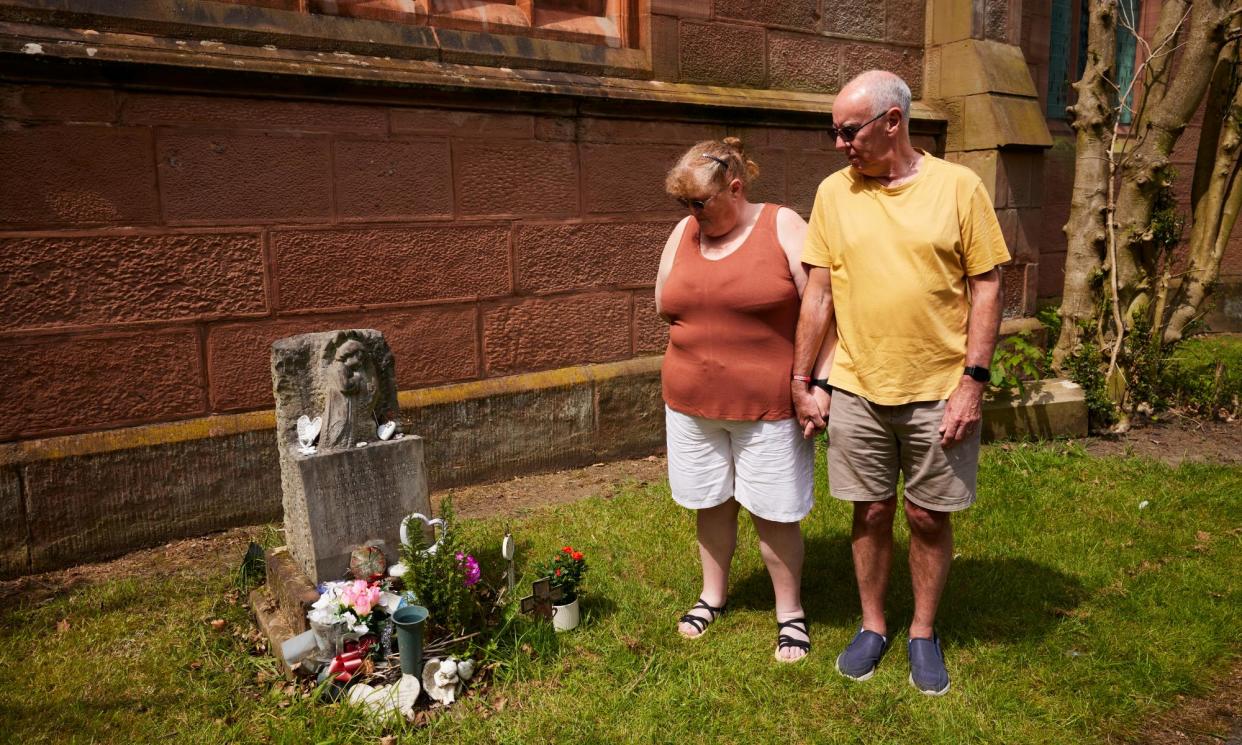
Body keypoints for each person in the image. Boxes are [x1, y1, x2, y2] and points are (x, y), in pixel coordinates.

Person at [791, 70, 1009, 694]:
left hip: (939, 386)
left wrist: (973, 381)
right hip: (858, 384)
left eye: (848, 130)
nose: (839, 144)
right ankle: (872, 624)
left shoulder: (959, 188)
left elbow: (987, 284)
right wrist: (803, 379)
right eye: (832, 131)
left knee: (927, 515)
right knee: (870, 509)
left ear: (893, 121)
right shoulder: (834, 193)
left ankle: (921, 630)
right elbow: (818, 292)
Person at [655, 137, 834, 662]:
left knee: (775, 511)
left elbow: (825, 310)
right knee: (710, 501)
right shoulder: (684, 230)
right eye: (684, 205)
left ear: (735, 188)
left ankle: (790, 613)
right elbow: (665, 303)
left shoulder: (782, 225)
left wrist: (817, 383)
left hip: (770, 406)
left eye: (700, 204)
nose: (691, 215)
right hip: (690, 402)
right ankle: (712, 595)